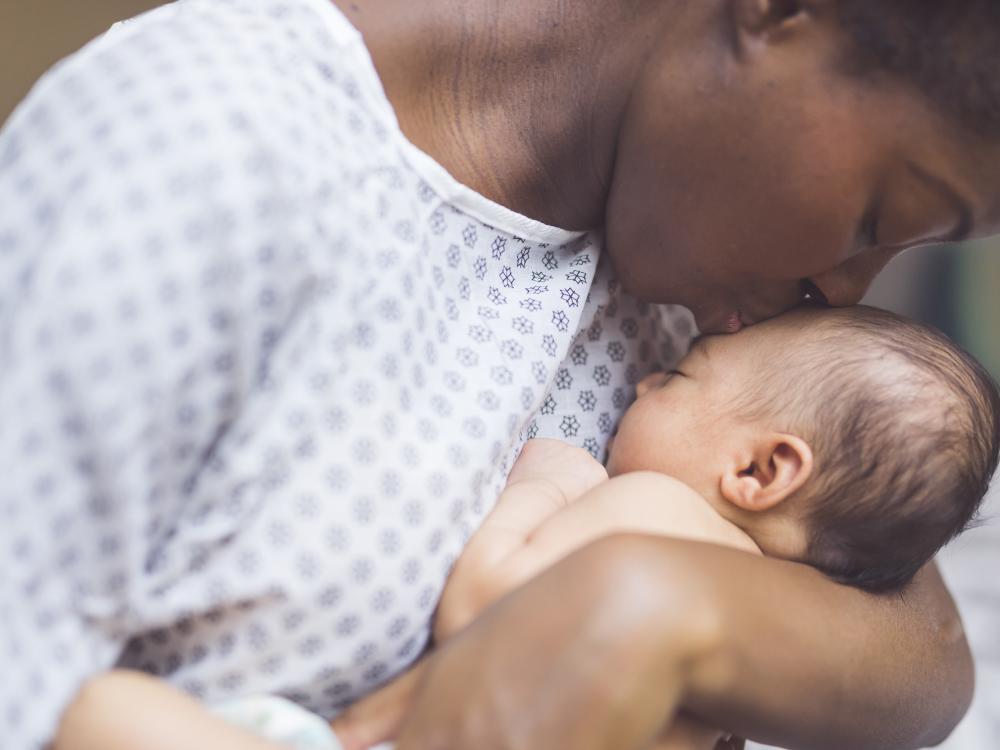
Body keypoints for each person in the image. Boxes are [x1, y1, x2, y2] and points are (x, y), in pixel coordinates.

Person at [4, 0, 1000, 748]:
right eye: (877, 218)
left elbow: (923, 651)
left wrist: (657, 607)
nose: (844, 287)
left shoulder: (692, 274)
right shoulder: (201, 151)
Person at [51, 304, 1000, 750]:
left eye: (681, 375)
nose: (640, 379)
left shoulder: (662, 514)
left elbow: (483, 607)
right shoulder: (772, 623)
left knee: (95, 712)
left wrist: (550, 475)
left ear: (757, 472)